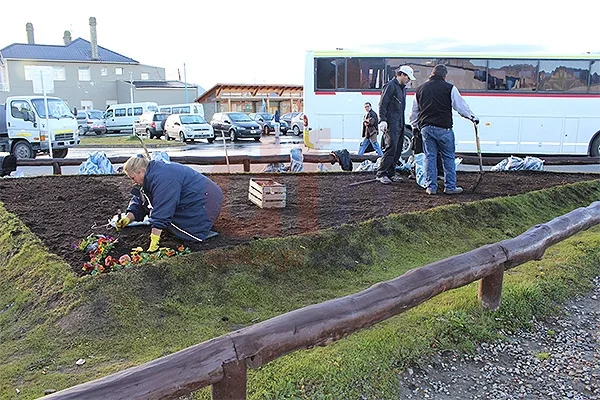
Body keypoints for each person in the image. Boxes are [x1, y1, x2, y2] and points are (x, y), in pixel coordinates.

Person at [116, 155, 223, 252]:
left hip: (206, 199)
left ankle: (201, 227)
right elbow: (142, 199)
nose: (133, 182)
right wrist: (128, 217)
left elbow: (163, 208)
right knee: (168, 221)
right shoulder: (152, 174)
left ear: (142, 171)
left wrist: (154, 240)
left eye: (133, 177)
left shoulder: (163, 179)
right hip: (202, 194)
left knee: (183, 228)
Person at [409, 64, 479, 195]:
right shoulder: (450, 88)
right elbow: (461, 107)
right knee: (448, 157)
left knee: (429, 158)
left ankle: (431, 187)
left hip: (426, 128)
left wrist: (415, 126)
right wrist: (472, 117)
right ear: (445, 75)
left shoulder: (419, 90)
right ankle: (450, 187)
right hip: (444, 128)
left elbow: (414, 113)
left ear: (432, 73)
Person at [376, 65, 415, 184]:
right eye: (408, 77)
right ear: (402, 74)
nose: (408, 80)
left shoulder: (402, 88)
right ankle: (381, 173)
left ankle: (391, 173)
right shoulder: (391, 86)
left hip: (399, 122)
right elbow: (383, 104)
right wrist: (382, 120)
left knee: (398, 148)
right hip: (392, 122)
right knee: (391, 147)